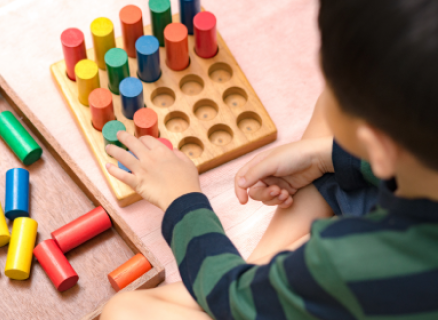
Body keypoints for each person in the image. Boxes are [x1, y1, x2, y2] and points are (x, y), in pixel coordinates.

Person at [101, 0, 438, 318]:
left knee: (123, 311)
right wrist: (327, 156)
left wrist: (182, 198)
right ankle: (265, 276)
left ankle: (263, 282)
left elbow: (229, 299)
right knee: (329, 120)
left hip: (359, 277)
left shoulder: (349, 260)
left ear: (378, 148)